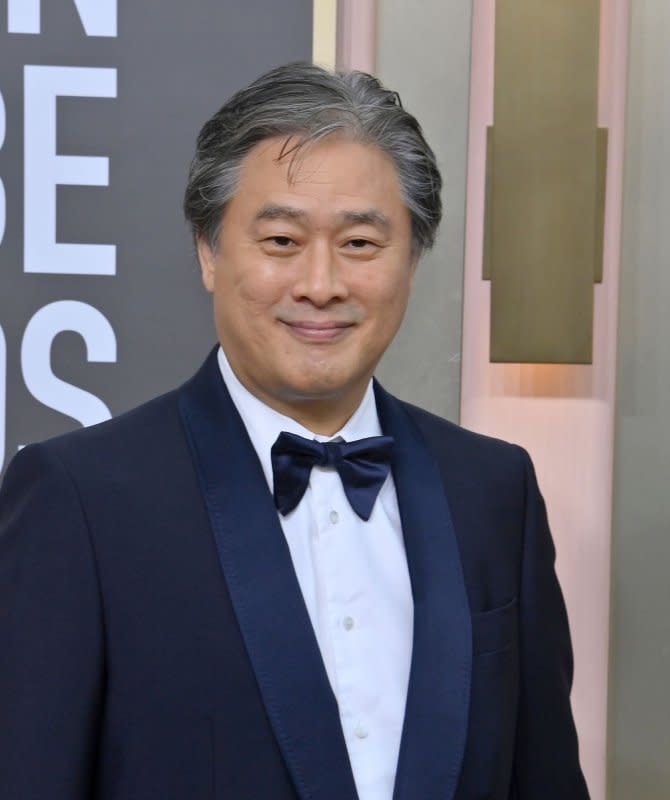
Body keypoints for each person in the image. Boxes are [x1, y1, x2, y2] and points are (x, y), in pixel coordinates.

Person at [0, 62, 589, 800]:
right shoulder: (79, 498)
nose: (320, 283)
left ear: (411, 260)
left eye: (360, 245)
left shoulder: (494, 490)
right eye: (281, 240)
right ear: (209, 252)